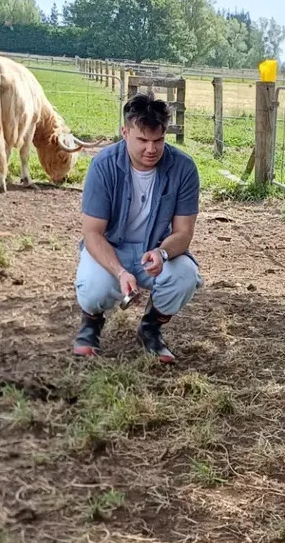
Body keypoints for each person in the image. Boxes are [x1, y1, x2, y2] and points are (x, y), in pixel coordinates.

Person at [73, 92, 202, 364]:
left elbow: (183, 233)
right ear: (125, 132)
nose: (151, 149)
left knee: (185, 276)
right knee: (94, 287)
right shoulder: (103, 165)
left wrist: (163, 253)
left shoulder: (184, 168)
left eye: (158, 140)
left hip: (155, 249)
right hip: (111, 248)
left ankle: (150, 328)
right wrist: (119, 271)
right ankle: (91, 324)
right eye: (142, 140)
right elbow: (92, 233)